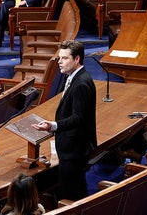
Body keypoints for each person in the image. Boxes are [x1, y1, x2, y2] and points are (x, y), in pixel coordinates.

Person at [32, 40, 97, 200]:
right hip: (72, 147)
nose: (59, 62)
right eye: (59, 58)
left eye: (64, 58)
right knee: (77, 190)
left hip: (75, 149)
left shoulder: (81, 83)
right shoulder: (75, 77)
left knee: (70, 195)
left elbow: (78, 118)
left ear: (77, 59)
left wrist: (53, 125)